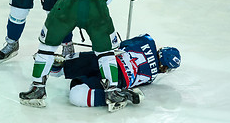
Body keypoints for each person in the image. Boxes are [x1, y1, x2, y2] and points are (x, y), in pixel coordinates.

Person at [50, 34, 181, 109]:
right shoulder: (151, 77)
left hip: (105, 59)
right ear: (164, 68)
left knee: (59, 67)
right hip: (115, 79)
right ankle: (120, 95)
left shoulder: (147, 39)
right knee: (77, 95)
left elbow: (121, 45)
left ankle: (56, 66)